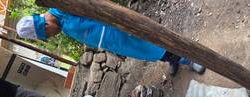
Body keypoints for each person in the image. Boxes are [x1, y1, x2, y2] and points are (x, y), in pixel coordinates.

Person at [16, 8, 205, 75]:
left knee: (151, 44)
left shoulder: (62, 7)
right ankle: (173, 60)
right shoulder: (60, 24)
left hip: (118, 29)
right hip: (114, 42)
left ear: (45, 25)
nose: (52, 36)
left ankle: (188, 59)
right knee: (146, 52)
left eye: (48, 34)